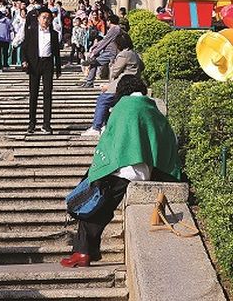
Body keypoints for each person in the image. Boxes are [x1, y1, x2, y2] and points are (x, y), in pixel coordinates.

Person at [61, 74, 181, 267]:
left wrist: (98, 167)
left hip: (121, 170)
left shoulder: (122, 107)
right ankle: (86, 252)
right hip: (145, 170)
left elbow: (110, 140)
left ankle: (82, 253)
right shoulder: (152, 109)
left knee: (89, 207)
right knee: (100, 210)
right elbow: (166, 139)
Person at [81, 32, 144, 138]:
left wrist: (112, 63)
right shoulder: (134, 53)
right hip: (132, 83)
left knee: (103, 99)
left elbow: (115, 71)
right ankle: (106, 124)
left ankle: (96, 127)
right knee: (107, 99)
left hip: (124, 84)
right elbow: (142, 66)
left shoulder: (124, 54)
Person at [22, 9, 61, 135]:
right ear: (38, 18)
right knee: (33, 95)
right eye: (44, 17)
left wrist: (58, 68)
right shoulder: (31, 31)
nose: (46, 20)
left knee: (47, 95)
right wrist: (24, 61)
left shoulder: (54, 33)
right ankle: (32, 123)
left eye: (48, 18)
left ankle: (46, 124)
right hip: (34, 64)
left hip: (48, 64)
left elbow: (56, 52)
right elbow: (25, 47)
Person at [81, 14, 121, 87]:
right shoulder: (115, 29)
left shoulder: (115, 29)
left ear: (109, 21)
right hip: (109, 51)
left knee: (94, 62)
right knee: (94, 62)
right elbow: (105, 39)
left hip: (111, 52)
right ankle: (89, 82)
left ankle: (90, 82)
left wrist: (95, 51)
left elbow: (105, 41)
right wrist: (95, 46)